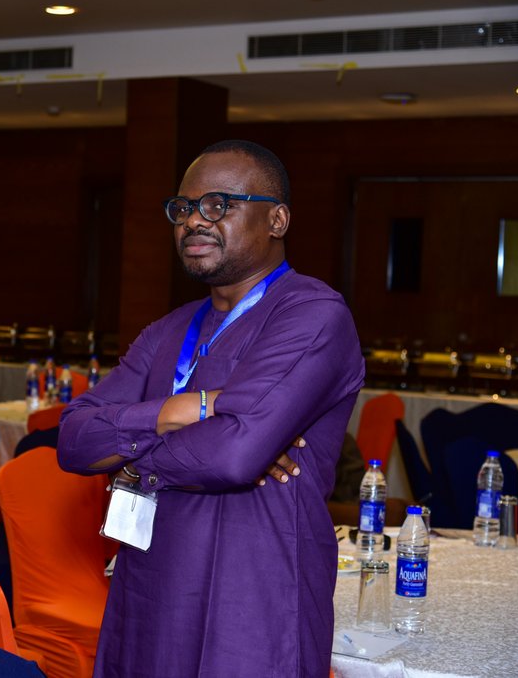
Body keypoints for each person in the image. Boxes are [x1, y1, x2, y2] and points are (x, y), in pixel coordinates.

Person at [58, 139, 364, 677]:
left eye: (219, 204)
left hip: (254, 601)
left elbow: (233, 457)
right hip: (148, 593)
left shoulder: (314, 315)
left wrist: (127, 462)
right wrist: (180, 410)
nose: (194, 220)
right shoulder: (167, 330)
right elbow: (73, 440)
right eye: (182, 208)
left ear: (277, 219)